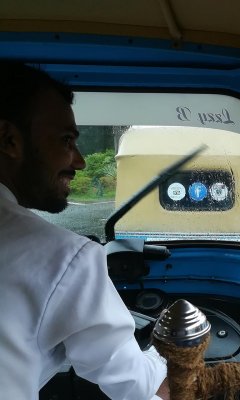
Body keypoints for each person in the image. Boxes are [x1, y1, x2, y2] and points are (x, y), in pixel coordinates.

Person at [0, 62, 169, 399]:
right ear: (8, 140)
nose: (80, 161)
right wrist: (167, 352)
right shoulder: (62, 257)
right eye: (66, 141)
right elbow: (137, 386)